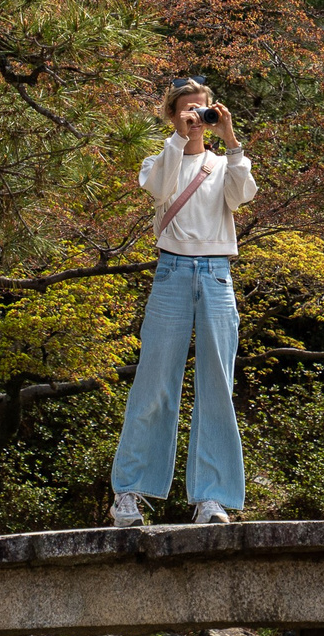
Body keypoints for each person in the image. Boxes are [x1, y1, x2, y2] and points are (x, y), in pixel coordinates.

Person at [110, 78, 257, 528]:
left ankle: (211, 498)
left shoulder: (222, 163)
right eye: (186, 111)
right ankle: (129, 493)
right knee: (154, 381)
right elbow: (159, 188)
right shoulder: (160, 160)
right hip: (172, 272)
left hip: (216, 275)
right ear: (173, 115)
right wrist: (181, 137)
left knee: (217, 386)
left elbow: (244, 195)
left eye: (203, 110)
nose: (196, 117)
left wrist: (230, 139)